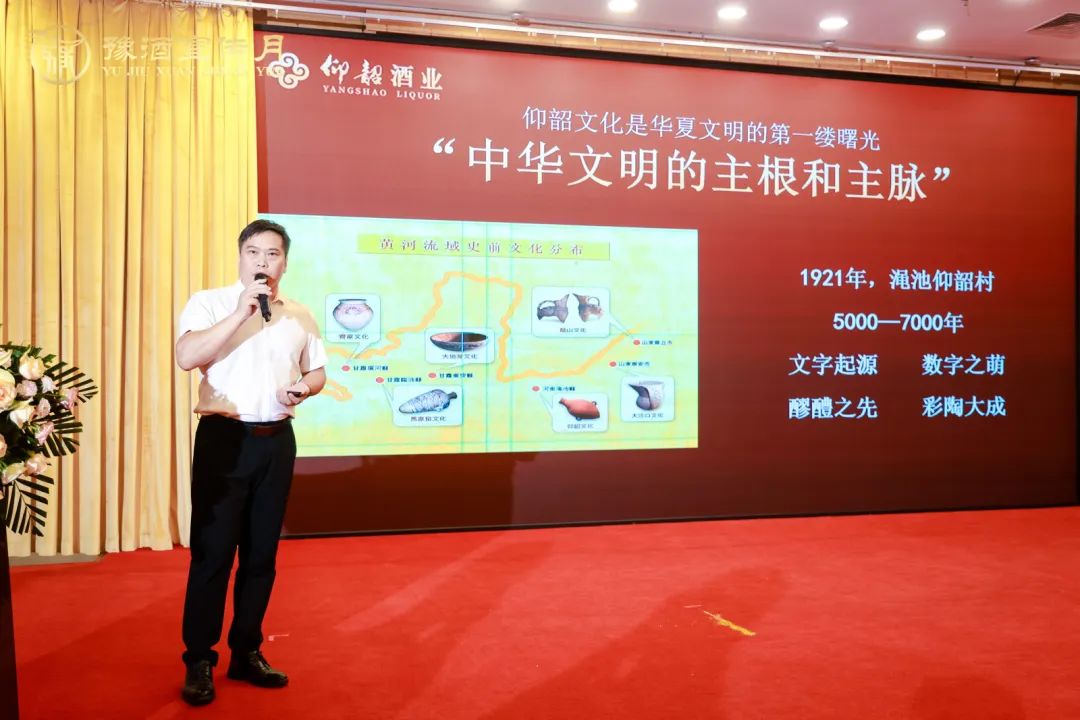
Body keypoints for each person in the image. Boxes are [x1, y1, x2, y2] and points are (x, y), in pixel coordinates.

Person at [174, 219, 327, 706]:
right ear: (241, 256)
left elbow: (317, 371)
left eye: (273, 254)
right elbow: (186, 356)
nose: (263, 262)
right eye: (254, 253)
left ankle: (246, 651)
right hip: (224, 439)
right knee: (213, 554)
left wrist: (304, 387)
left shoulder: (298, 314)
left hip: (276, 442)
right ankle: (200, 658)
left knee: (261, 556)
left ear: (285, 262)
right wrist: (241, 312)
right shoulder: (209, 302)